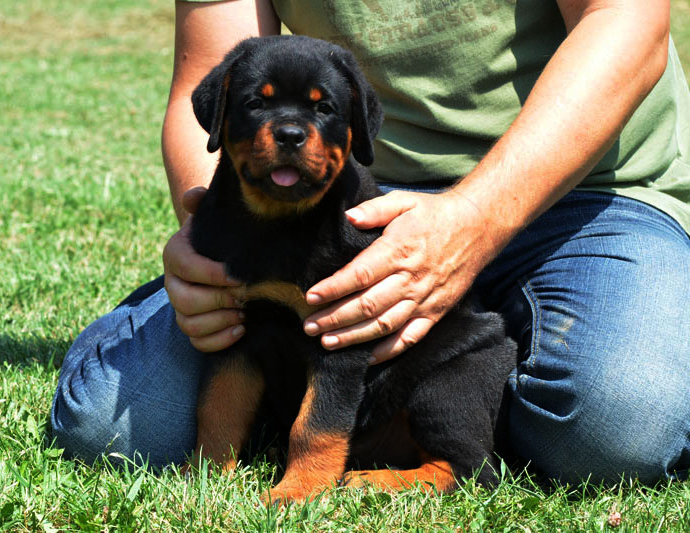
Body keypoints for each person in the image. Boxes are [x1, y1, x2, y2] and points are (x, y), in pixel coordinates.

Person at [50, 0, 690, 484]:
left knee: (616, 427)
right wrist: (212, 244)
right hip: (321, 210)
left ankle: (473, 408)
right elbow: (209, 69)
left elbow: (627, 20)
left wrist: (471, 219)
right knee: (108, 427)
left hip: (583, 191)